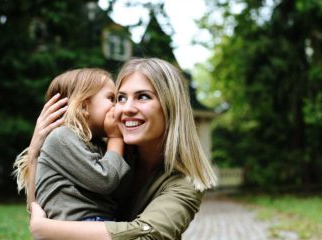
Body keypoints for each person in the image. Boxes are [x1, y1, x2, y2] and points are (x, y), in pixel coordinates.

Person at [27, 58, 217, 239]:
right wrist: (35, 151)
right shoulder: (110, 149)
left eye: (143, 97)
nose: (126, 108)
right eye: (120, 98)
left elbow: (150, 235)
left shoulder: (185, 182)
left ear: (170, 107)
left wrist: (46, 229)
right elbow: (44, 204)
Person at [13, 68, 130, 221]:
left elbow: (121, 191)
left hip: (99, 223)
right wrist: (116, 139)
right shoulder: (62, 137)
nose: (118, 106)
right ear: (83, 106)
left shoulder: (99, 145)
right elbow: (105, 181)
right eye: (111, 98)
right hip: (82, 225)